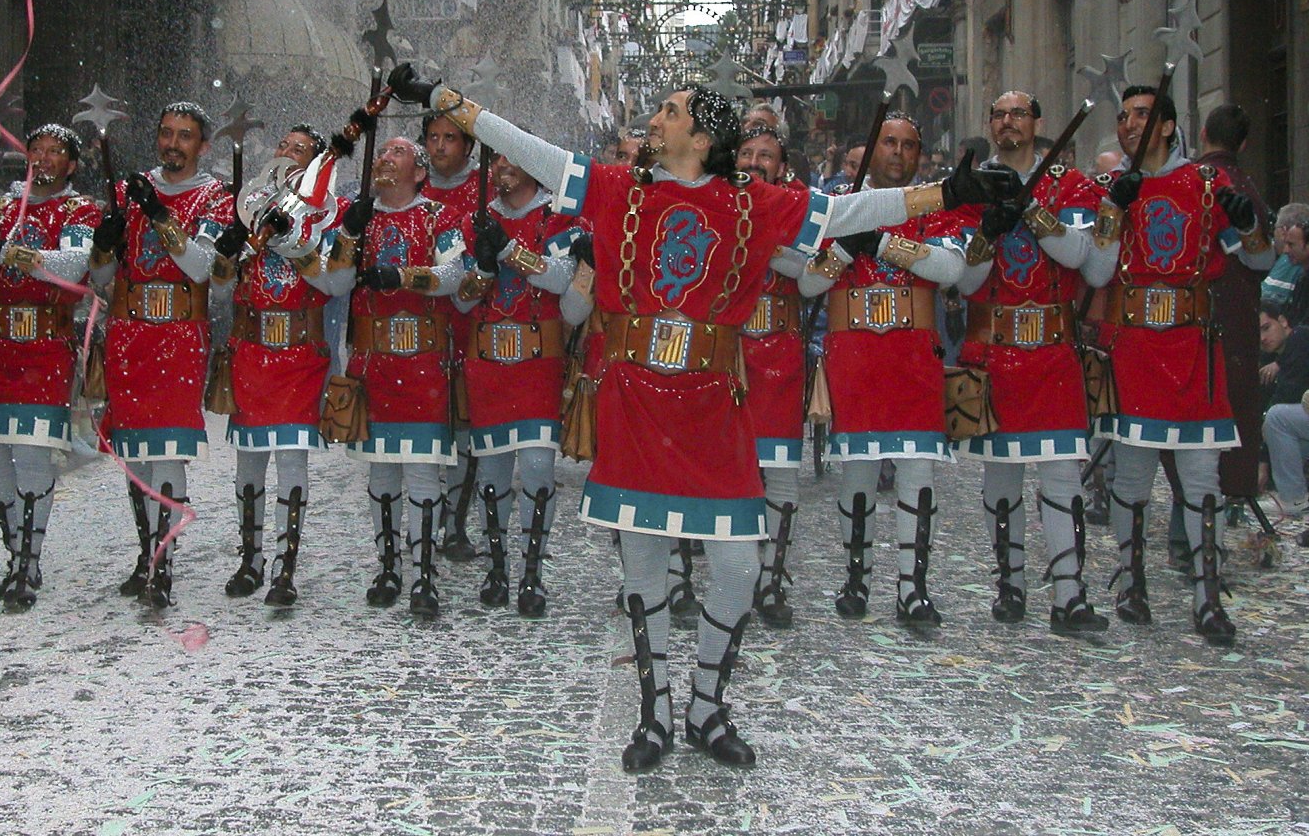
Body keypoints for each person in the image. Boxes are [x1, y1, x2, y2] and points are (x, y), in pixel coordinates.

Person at [389, 64, 1014, 770]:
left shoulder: (753, 202)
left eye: (669, 110)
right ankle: (654, 714)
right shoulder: (617, 189)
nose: (655, 119)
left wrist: (946, 194)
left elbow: (845, 214)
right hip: (634, 402)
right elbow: (528, 148)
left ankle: (707, 706)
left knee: (738, 567)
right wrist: (446, 101)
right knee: (644, 568)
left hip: (714, 407)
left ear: (702, 135)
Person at [1096, 85, 1275, 645]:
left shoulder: (1207, 184)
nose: (1130, 125)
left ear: (1169, 126)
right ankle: (1131, 583)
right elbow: (1097, 271)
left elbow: (1260, 259)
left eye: (1142, 115)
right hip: (1135, 349)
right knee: (1132, 476)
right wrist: (1111, 210)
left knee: (1201, 477)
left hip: (1194, 348)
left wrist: (1248, 226)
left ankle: (1207, 595)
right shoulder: (1114, 187)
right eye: (1123, 116)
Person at [956, 91, 1110, 635]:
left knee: (1062, 476)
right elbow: (965, 282)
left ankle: (1070, 594)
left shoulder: (1071, 186)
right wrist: (987, 233)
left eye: (1018, 113)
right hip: (995, 352)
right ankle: (1011, 582)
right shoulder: (972, 189)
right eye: (999, 114)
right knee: (1001, 478)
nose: (1008, 122)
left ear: (1037, 122)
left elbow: (1085, 261)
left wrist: (1034, 214)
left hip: (1053, 352)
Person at [0, 124, 99, 610]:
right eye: (36, 150)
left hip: (42, 348)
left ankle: (29, 560)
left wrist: (6, 252)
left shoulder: (77, 210)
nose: (42, 159)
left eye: (54, 152)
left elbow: (72, 266)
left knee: (32, 456)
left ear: (71, 164)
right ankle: (14, 556)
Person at [820, 114, 968, 630]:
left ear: (919, 154)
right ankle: (856, 578)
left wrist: (883, 244)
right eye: (889, 142)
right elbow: (809, 283)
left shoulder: (934, 206)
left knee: (917, 473)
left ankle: (913, 588)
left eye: (908, 144)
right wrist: (844, 247)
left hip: (913, 358)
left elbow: (951, 269)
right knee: (858, 473)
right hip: (855, 356)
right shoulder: (839, 204)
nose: (898, 153)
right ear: (872, 147)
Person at [88, 102, 233, 609]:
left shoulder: (214, 198)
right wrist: (103, 244)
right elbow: (102, 276)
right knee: (135, 452)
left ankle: (162, 564)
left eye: (185, 135)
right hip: (130, 334)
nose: (173, 143)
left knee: (167, 447)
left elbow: (200, 267)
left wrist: (157, 214)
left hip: (179, 335)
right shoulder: (126, 191)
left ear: (203, 145)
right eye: (167, 133)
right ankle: (146, 553)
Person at [210, 124, 348, 608]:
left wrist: (295, 243)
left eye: (299, 149)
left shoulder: (327, 216)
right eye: (283, 145)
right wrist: (227, 252)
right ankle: (250, 558)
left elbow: (335, 284)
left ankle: (286, 565)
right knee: (249, 459)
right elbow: (220, 288)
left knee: (291, 459)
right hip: (252, 353)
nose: (286, 153)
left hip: (299, 355)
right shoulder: (248, 209)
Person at [328, 136, 465, 619]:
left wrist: (404, 276)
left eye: (398, 152)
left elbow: (455, 275)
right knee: (382, 469)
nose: (385, 157)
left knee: (423, 468)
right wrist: (348, 233)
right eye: (382, 151)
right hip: (374, 364)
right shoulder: (360, 219)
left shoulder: (439, 217)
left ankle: (425, 572)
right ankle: (388, 567)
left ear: (420, 172)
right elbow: (335, 282)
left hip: (424, 363)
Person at [454, 152, 581, 616]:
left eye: (513, 160)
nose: (503, 169)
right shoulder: (474, 221)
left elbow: (561, 278)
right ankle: (497, 567)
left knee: (537, 468)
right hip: (488, 362)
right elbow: (462, 301)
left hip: (538, 362)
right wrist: (483, 270)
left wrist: (509, 250)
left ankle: (532, 570)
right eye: (498, 162)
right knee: (491, 472)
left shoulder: (555, 218)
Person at [733, 122, 828, 629]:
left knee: (781, 471)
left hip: (780, 352)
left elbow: (812, 277)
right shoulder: (718, 200)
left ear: (782, 165)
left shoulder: (799, 206)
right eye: (746, 153)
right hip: (727, 354)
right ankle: (731, 575)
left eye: (764, 155)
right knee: (728, 468)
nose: (754, 162)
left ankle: (772, 578)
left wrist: (766, 241)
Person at [1195, 104, 1270, 503]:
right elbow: (1262, 259)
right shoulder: (1246, 187)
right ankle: (1228, 491)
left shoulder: (1194, 183)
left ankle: (1200, 499)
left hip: (1197, 311)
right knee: (1233, 400)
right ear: (1243, 144)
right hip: (1235, 313)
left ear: (1203, 134)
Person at [418, 111, 484, 562]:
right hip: (420, 320)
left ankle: (456, 520)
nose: (440, 146)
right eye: (433, 137)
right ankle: (424, 517)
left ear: (468, 146)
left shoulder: (484, 189)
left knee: (463, 428)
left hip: (467, 320)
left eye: (450, 138)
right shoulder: (411, 186)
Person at [1259, 303, 1309, 519]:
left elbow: (1287, 396)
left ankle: (1293, 497)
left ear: (1283, 321)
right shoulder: (1274, 359)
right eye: (1257, 334)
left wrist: (1262, 463)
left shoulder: (1300, 338)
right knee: (1284, 433)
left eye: (1266, 328)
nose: (1263, 338)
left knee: (1277, 418)